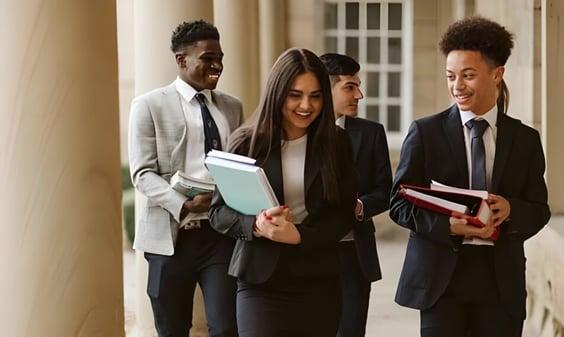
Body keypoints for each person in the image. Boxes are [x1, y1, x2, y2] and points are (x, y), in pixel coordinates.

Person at [389, 16, 551, 337]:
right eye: (450, 76)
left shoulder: (525, 139)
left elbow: (539, 209)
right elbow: (398, 204)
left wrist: (511, 210)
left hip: (499, 282)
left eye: (468, 75)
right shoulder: (425, 132)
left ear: (497, 74)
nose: (457, 86)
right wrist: (447, 225)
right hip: (440, 280)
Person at [208, 48, 358, 337]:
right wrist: (256, 225)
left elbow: (343, 214)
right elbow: (218, 213)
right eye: (295, 94)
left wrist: (300, 235)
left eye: (315, 95)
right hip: (260, 283)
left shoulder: (337, 143)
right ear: (277, 93)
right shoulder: (245, 143)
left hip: (319, 281)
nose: (306, 105)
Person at [128, 19, 243, 337]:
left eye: (220, 57)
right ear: (182, 60)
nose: (217, 65)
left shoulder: (232, 107)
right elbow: (142, 173)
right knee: (173, 329)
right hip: (170, 237)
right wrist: (184, 204)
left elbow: (238, 165)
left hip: (219, 233)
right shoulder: (148, 105)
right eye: (208, 58)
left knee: (226, 327)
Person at [319, 53, 392, 337]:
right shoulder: (298, 132)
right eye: (350, 87)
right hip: (308, 253)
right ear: (326, 88)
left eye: (358, 86)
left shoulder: (372, 133)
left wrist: (360, 206)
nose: (359, 95)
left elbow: (387, 190)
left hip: (354, 254)